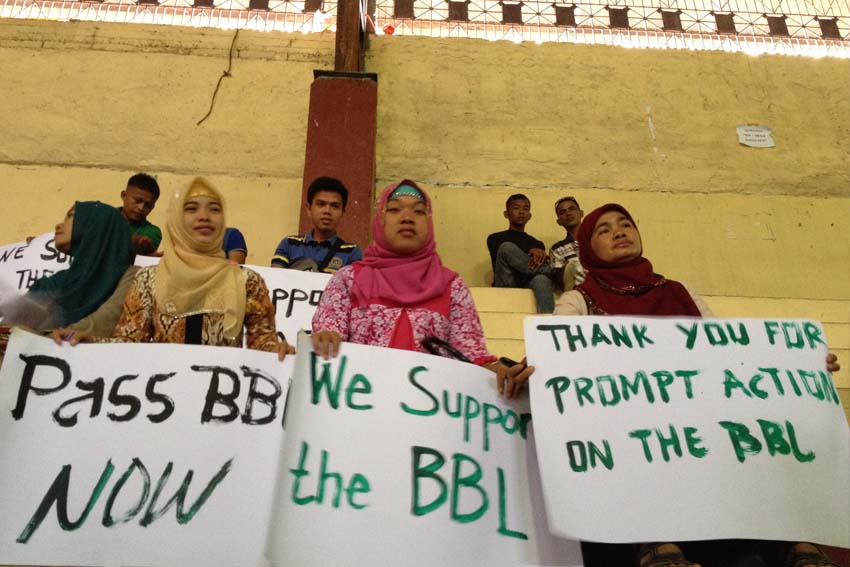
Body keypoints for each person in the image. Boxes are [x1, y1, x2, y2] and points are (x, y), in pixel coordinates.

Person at [554, 203, 841, 567]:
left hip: (701, 414)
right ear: (588, 247)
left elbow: (728, 351)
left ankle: (799, 541)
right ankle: (657, 544)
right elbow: (557, 355)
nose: (620, 231)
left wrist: (800, 366)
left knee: (769, 425)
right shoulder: (578, 301)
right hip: (630, 422)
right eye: (605, 229)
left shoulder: (680, 291)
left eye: (626, 224)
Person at [312, 180, 533, 398]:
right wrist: (324, 339)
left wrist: (499, 372)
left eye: (418, 212)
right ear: (380, 220)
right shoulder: (348, 280)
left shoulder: (451, 286)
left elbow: (469, 356)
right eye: (395, 209)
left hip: (428, 419)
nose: (407, 217)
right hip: (359, 408)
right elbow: (327, 339)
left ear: (429, 223)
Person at [55, 178, 292, 359]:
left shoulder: (247, 281)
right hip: (161, 407)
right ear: (176, 219)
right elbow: (129, 342)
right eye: (191, 209)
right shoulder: (150, 278)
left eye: (214, 209)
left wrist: (280, 352)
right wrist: (91, 343)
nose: (204, 216)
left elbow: (262, 344)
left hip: (222, 405)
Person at [2, 201, 132, 331]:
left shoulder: (130, 282)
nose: (58, 225)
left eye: (71, 216)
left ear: (96, 224)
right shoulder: (48, 285)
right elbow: (9, 332)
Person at [271, 177, 362, 273]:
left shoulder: (352, 252)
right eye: (321, 204)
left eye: (335, 206)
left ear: (343, 213)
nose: (327, 211)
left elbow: (353, 285)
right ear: (309, 209)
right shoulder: (289, 244)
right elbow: (276, 279)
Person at [486, 194, 555, 313]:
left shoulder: (537, 243)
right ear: (506, 214)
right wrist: (529, 250)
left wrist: (535, 252)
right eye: (516, 208)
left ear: (530, 216)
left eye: (526, 209)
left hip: (527, 283)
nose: (521, 212)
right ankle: (554, 272)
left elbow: (535, 266)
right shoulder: (495, 238)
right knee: (506, 247)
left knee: (541, 279)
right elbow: (504, 255)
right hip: (506, 283)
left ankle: (548, 322)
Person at [548, 196, 585, 292]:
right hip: (577, 295)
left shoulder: (597, 240)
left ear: (581, 213)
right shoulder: (557, 249)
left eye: (571, 209)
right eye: (562, 212)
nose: (568, 213)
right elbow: (560, 281)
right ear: (559, 221)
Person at [120, 173, 162, 256]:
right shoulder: (105, 217)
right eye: (138, 200)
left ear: (153, 207)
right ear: (124, 195)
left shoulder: (152, 232)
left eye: (148, 205)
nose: (141, 208)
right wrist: (130, 240)